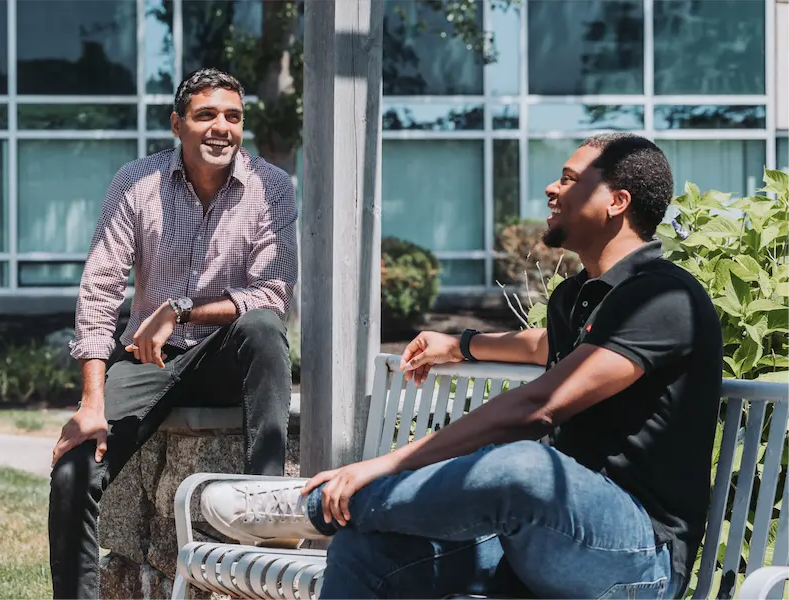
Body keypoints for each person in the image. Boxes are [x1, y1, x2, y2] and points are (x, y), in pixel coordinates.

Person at [199, 133, 724, 600]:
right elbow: (547, 345)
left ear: (617, 201)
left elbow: (539, 406)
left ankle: (313, 508)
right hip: (541, 536)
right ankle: (338, 515)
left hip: (635, 560)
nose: (550, 189)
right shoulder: (578, 298)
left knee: (524, 465)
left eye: (568, 178)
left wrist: (379, 468)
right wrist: (463, 344)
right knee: (364, 554)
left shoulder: (665, 298)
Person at [48, 67, 299, 600]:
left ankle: (268, 512)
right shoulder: (135, 184)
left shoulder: (271, 188)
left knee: (263, 326)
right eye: (206, 115)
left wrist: (180, 310)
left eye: (232, 116)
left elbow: (272, 293)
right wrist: (91, 401)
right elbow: (100, 289)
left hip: (226, 357)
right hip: (148, 359)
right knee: (74, 469)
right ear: (177, 125)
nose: (221, 128)